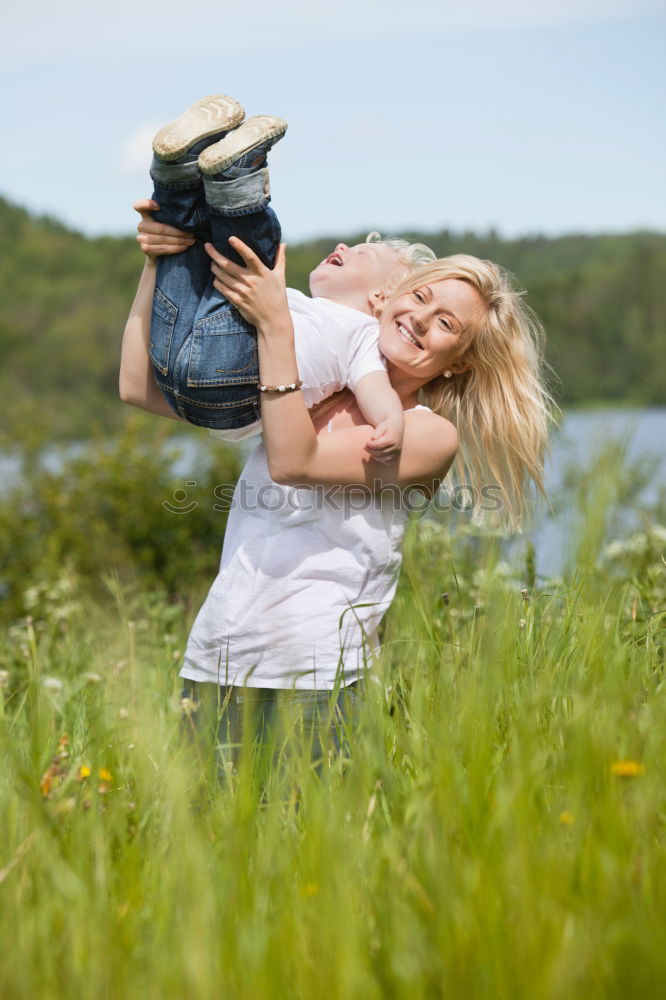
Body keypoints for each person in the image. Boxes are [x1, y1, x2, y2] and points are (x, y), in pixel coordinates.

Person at [120, 110, 554, 772]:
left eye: (445, 325)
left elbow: (294, 462)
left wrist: (273, 326)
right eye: (420, 297)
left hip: (317, 676)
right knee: (202, 857)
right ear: (389, 299)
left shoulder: (426, 436)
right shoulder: (313, 387)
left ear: (460, 361)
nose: (419, 319)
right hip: (218, 655)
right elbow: (137, 386)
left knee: (302, 860)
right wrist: (160, 265)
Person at [130, 93, 436, 464]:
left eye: (363, 254)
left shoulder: (363, 334)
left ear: (381, 298)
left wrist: (391, 422)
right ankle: (178, 171)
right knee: (191, 251)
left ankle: (235, 177)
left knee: (252, 260)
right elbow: (133, 388)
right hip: (179, 371)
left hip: (235, 390)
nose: (344, 246)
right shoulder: (301, 307)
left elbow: (376, 387)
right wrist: (155, 260)